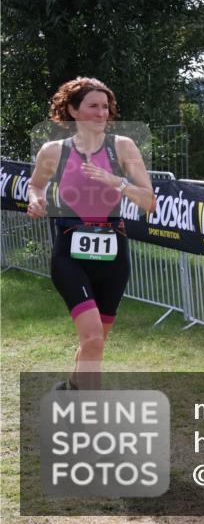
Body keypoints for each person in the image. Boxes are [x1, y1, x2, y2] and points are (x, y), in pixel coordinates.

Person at [26, 78, 156, 390]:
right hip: (70, 254)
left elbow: (149, 201)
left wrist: (116, 182)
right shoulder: (53, 151)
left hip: (113, 256)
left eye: (106, 107)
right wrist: (36, 201)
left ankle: (71, 389)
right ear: (72, 110)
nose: (102, 113)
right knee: (93, 338)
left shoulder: (123, 147)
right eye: (93, 106)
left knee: (95, 344)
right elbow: (35, 184)